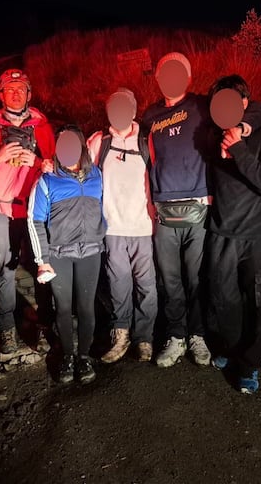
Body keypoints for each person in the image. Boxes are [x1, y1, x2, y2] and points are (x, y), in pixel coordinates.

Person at [142, 52, 261, 368]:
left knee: (197, 278)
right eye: (164, 72)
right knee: (170, 279)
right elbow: (143, 158)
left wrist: (244, 130)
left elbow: (257, 108)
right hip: (164, 209)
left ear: (187, 77)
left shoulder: (201, 105)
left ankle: (198, 334)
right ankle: (176, 335)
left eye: (177, 71)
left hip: (199, 206)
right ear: (157, 78)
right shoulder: (150, 115)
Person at [204, 75, 261, 394]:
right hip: (222, 232)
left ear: (245, 104)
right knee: (224, 301)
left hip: (257, 237)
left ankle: (250, 365)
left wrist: (240, 149)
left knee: (259, 302)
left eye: (231, 100)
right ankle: (231, 349)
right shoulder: (211, 135)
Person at [0, 68, 56, 357]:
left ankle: (45, 326)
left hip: (35, 212)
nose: (15, 93)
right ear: (1, 94)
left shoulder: (43, 127)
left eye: (21, 88)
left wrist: (40, 161)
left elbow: (57, 168)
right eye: (9, 88)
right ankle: (7, 329)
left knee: (42, 270)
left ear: (29, 93)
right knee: (6, 271)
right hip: (3, 210)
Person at [28, 125, 106, 384]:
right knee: (62, 308)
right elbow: (35, 221)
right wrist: (43, 261)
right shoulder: (47, 180)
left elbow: (104, 208)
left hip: (91, 252)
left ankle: (84, 356)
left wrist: (100, 234)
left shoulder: (97, 175)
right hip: (59, 254)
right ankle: (68, 356)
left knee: (86, 307)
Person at [87, 88, 157, 363]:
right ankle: (121, 335)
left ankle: (145, 338)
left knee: (147, 286)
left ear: (134, 109)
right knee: (118, 286)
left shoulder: (146, 141)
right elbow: (83, 176)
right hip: (113, 228)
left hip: (144, 226)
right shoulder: (98, 142)